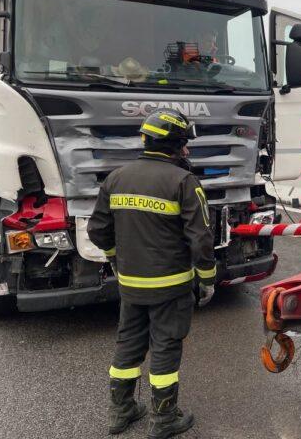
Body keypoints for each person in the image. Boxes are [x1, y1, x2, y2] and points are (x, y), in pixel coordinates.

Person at [88, 109, 216, 439]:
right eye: (184, 144)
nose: (187, 151)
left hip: (130, 285)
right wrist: (207, 278)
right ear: (173, 145)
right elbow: (200, 237)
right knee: (165, 347)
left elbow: (98, 230)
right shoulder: (184, 182)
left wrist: (116, 259)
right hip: (171, 286)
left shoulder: (116, 178)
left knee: (128, 344)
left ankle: (121, 411)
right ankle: (164, 419)